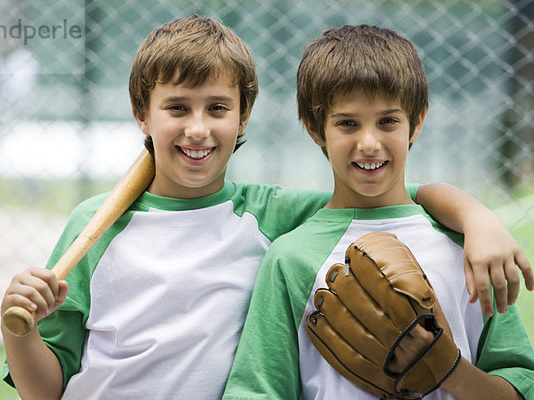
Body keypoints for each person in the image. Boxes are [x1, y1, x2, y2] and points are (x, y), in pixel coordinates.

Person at [0, 17, 532, 400]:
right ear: (142, 113)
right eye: (176, 108)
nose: (198, 128)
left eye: (217, 108)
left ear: (244, 116)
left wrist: (478, 219)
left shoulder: (270, 217)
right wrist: (16, 331)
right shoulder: (95, 228)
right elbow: (42, 392)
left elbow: (390, 204)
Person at [222, 24, 534, 400]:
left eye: (388, 121)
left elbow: (520, 388)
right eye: (347, 123)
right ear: (315, 129)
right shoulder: (290, 260)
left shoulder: (467, 249)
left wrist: (450, 370)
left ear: (416, 122)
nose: (369, 143)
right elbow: (259, 390)